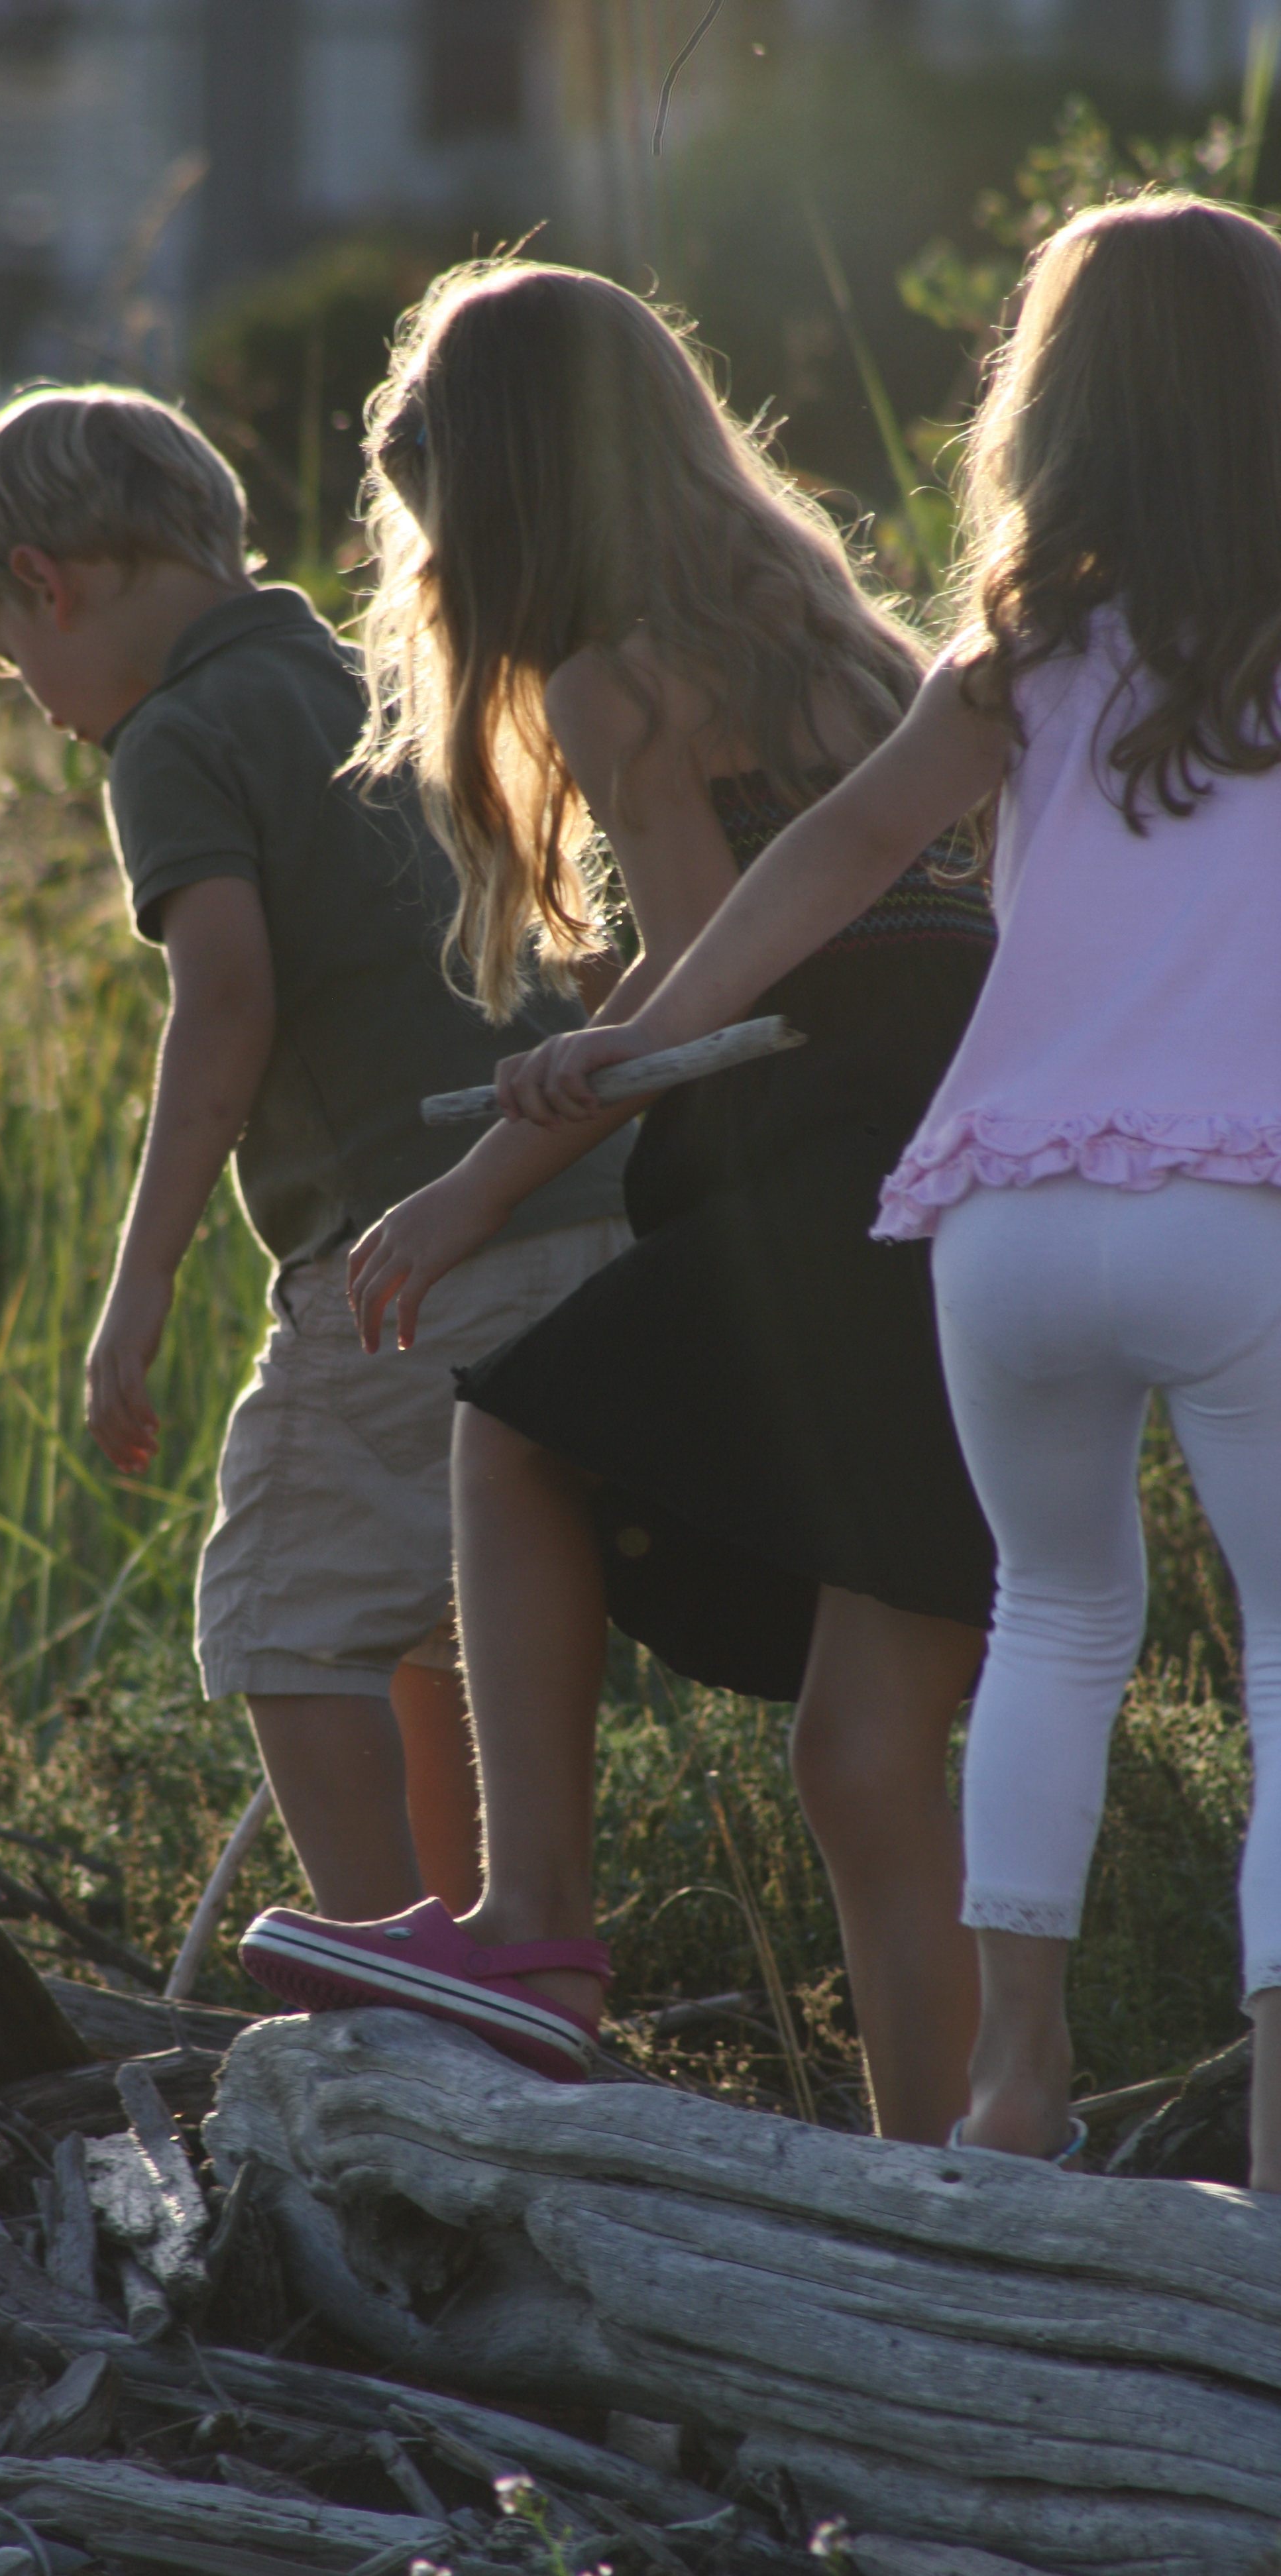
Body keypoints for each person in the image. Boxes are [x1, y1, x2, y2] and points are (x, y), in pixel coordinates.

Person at [384, 197, 1281, 2186]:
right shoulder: (844, 631)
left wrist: (563, 1100)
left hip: (928, 1184)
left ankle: (632, 1965)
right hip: (1110, 1165)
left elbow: (774, 916)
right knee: (994, 1725)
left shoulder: (868, 660)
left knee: (554, 1452)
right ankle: (1073, 2166)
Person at [239, 262, 998, 2139]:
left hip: (835, 1179)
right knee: (867, 1761)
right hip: (977, 1175)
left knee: (513, 1433)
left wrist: (469, 1190)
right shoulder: (836, 636)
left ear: (508, 498)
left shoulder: (616, 678)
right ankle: (954, 2184)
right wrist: (626, 1021)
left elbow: (698, 980)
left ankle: (537, 1931)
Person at [0, 384, 631, 1927]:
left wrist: (140, 1288)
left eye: (14, 658)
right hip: (591, 1205)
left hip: (416, 1247)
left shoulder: (176, 734)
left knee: (284, 1616)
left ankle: (398, 1990)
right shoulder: (389, 670)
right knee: (436, 1617)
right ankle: (493, 1961)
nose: (40, 704)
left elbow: (226, 1002)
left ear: (47, 581)